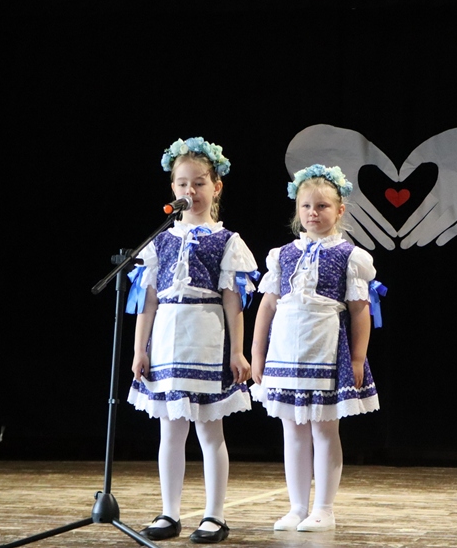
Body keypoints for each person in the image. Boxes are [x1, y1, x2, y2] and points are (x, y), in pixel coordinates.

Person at [127, 137, 258, 544]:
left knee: (209, 430)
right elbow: (148, 300)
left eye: (199, 183)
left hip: (206, 337)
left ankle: (214, 515)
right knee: (170, 430)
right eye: (183, 184)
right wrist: (140, 349)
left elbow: (233, 301)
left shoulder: (227, 241)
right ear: (173, 188)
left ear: (216, 187)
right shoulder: (160, 241)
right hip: (167, 338)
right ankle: (169, 512)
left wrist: (237, 350)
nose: (191, 191)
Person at [250, 163, 383, 533]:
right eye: (306, 206)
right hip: (285, 350)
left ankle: (324, 508)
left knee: (324, 429)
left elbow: (360, 310)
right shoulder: (282, 255)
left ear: (339, 210)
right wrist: (257, 353)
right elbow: (268, 305)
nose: (313, 213)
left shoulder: (349, 256)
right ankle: (297, 506)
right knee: (292, 430)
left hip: (325, 348)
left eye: (322, 206)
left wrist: (357, 357)